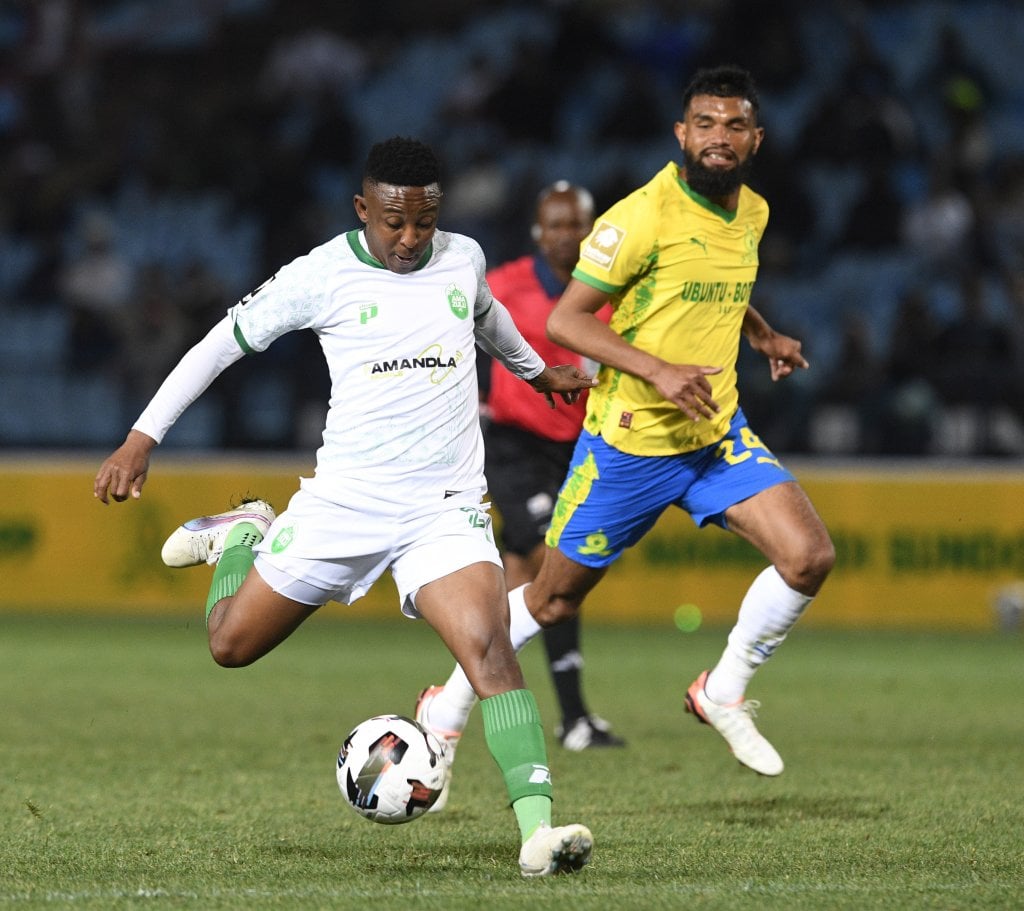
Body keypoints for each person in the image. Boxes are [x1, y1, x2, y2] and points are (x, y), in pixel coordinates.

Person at [93, 136, 594, 878]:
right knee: (229, 644)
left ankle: (538, 832)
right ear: (365, 208)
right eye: (393, 222)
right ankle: (241, 536)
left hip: (441, 509)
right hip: (345, 504)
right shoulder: (320, 274)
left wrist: (536, 371)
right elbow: (217, 345)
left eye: (423, 223)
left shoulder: (463, 256)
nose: (409, 239)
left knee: (488, 649)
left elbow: (485, 319)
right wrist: (142, 435)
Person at [416, 65, 835, 784]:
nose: (718, 137)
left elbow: (717, 289)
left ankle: (723, 689)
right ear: (682, 133)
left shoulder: (754, 213)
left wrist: (761, 333)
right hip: (629, 446)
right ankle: (447, 705)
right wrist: (658, 370)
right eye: (704, 124)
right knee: (550, 598)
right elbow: (565, 320)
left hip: (715, 434)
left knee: (809, 557)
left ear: (755, 138)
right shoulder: (638, 217)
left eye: (734, 125)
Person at [470, 181, 625, 752]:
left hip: (580, 445)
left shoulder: (610, 292)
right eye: (555, 225)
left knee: (512, 594)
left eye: (576, 225)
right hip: (514, 445)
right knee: (555, 564)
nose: (566, 235)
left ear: (593, 230)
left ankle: (456, 702)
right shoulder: (505, 285)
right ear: (538, 231)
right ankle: (575, 719)